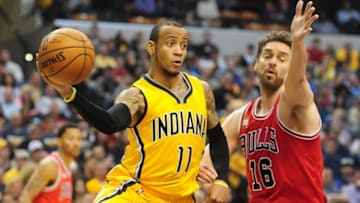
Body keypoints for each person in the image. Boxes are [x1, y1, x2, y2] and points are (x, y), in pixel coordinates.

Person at [37, 20, 230, 203]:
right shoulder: (138, 95)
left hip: (182, 197)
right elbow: (109, 123)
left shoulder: (201, 90)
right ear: (151, 48)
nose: (178, 51)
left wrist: (222, 180)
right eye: (171, 44)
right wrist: (69, 93)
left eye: (184, 45)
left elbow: (218, 137)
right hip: (139, 192)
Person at [198, 1, 327, 202]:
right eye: (268, 56)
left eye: (283, 58)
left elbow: (298, 80)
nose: (273, 61)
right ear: (256, 63)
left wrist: (298, 41)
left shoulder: (296, 103)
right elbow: (210, 157)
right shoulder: (240, 117)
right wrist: (216, 180)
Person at [19, 123, 82, 203]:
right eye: (70, 139)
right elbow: (25, 197)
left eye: (79, 139)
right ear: (59, 142)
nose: (76, 144)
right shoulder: (50, 165)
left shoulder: (68, 165)